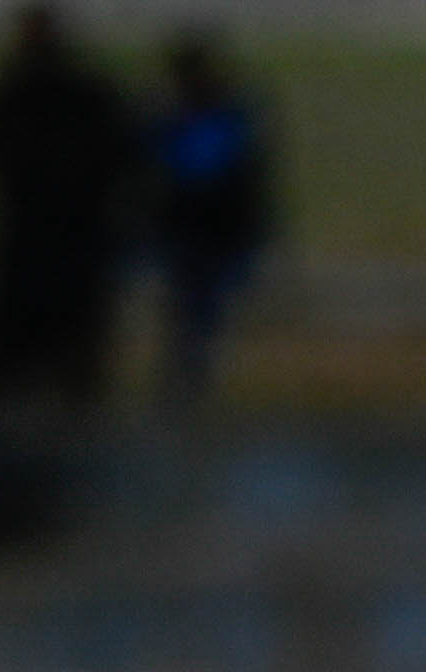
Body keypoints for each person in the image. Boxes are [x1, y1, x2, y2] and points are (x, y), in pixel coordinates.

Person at [0, 6, 148, 416]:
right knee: (70, 352)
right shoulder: (88, 94)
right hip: (72, 240)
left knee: (34, 352)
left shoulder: (12, 96)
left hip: (40, 239)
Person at [147, 31, 280, 409]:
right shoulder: (223, 114)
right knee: (195, 313)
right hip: (202, 229)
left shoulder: (179, 116)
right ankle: (189, 382)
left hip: (205, 229)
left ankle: (187, 383)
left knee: (194, 312)